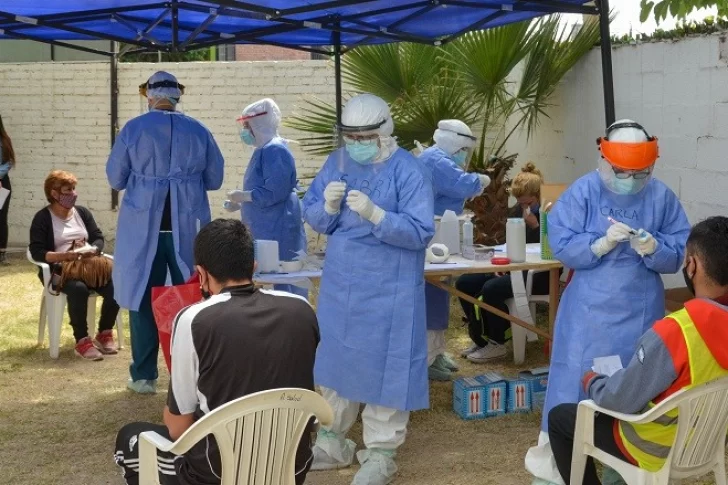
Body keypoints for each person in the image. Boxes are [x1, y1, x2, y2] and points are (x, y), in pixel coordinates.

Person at [525, 120, 691, 485]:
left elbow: (679, 254)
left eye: (640, 173)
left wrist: (655, 248)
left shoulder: (661, 196)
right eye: (622, 172)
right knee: (571, 386)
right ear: (604, 160)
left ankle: (622, 468)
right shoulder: (584, 191)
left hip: (640, 310)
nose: (630, 180)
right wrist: (599, 244)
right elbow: (563, 244)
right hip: (587, 310)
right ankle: (554, 470)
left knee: (633, 388)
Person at [114, 219, 319, 485]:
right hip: (292, 465)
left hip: (217, 473)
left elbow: (178, 427)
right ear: (253, 266)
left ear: (201, 273)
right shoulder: (301, 309)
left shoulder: (194, 319)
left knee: (130, 437)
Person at [302, 93, 435, 485]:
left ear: (385, 132)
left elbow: (419, 231)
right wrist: (325, 208)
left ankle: (380, 452)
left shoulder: (409, 171)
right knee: (336, 358)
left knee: (387, 364)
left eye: (365, 136)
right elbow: (315, 217)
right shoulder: (337, 162)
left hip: (390, 284)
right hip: (343, 281)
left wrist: (377, 215)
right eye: (351, 136)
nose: (357, 143)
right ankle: (331, 439)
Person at [548, 216, 728, 485]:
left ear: (691, 266)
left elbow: (619, 399)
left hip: (653, 446)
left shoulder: (675, 331)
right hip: (706, 442)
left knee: (561, 417)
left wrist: (593, 381)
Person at [106, 71, 225, 394]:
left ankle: (144, 376)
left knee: (143, 298)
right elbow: (214, 180)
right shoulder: (199, 131)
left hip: (143, 230)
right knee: (194, 296)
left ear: (149, 95)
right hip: (188, 228)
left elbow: (116, 178)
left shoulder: (133, 129)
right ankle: (194, 374)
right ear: (178, 96)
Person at [418, 119, 491, 381]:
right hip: (429, 235)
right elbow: (463, 184)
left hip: (439, 233)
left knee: (439, 294)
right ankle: (426, 358)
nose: (463, 155)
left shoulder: (438, 158)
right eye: (462, 149)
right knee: (430, 295)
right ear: (454, 142)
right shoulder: (436, 160)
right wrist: (480, 180)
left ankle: (436, 352)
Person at [456, 163, 545, 363]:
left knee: (491, 289)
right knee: (464, 283)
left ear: (539, 195)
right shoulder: (516, 212)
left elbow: (550, 246)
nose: (524, 207)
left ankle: (497, 342)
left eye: (528, 203)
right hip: (513, 266)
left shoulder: (550, 211)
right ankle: (481, 338)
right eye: (520, 203)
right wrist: (501, 264)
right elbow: (509, 244)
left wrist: (536, 225)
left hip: (538, 273)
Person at [29, 171, 120, 360]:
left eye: (73, 189)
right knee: (78, 290)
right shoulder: (42, 218)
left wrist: (93, 249)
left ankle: (104, 332)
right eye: (67, 190)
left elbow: (98, 237)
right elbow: (37, 252)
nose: (73, 193)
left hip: (88, 267)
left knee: (117, 285)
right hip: (60, 271)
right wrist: (66, 255)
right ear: (54, 194)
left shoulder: (82, 213)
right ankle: (82, 341)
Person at [223, 98, 307, 298]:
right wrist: (240, 202)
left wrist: (244, 196)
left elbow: (275, 191)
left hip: (278, 228)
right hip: (266, 226)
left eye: (246, 125)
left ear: (259, 124)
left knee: (284, 283)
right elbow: (261, 188)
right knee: (269, 282)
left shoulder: (275, 150)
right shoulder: (264, 150)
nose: (244, 131)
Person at [0, 114, 16, 265]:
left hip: (2, 182)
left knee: (1, 218)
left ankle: (2, 254)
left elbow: (10, 161)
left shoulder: (5, 141)